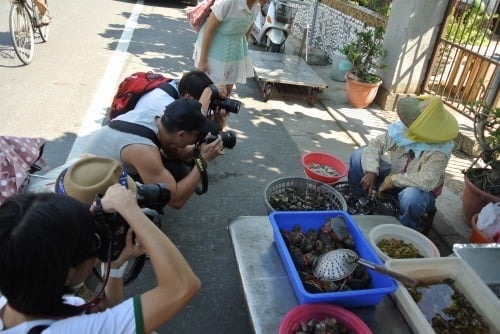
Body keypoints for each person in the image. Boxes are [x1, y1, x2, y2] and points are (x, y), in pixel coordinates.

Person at [0, 185, 200, 333]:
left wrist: (114, 266)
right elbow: (181, 286)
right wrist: (130, 210)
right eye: (94, 243)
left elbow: (109, 309)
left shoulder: (19, 290)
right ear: (67, 275)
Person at [83, 98, 223, 209]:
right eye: (198, 135)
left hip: (95, 168)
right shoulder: (144, 150)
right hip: (87, 192)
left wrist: (199, 150)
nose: (199, 138)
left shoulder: (154, 119)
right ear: (181, 135)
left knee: (171, 169)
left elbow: (175, 153)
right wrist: (203, 161)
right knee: (159, 193)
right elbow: (175, 200)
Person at [347, 96, 459, 231]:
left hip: (419, 192)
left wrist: (392, 180)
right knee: (358, 155)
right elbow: (375, 145)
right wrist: (371, 170)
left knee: (411, 197)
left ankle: (404, 230)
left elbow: (426, 180)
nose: (404, 123)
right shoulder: (403, 132)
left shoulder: (440, 150)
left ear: (423, 127)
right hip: (393, 175)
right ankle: (359, 201)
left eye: (412, 123)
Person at [193, 0, 268, 95]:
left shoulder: (256, 7)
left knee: (225, 93)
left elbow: (247, 29)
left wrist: (243, 53)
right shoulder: (228, 2)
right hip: (213, 52)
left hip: (233, 51)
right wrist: (202, 60)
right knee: (206, 92)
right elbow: (209, 29)